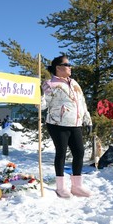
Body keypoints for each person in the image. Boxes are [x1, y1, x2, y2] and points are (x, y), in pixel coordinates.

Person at [41, 55, 92, 198]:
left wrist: (88, 120)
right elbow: (44, 106)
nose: (70, 67)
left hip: (75, 123)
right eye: (67, 64)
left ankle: (77, 186)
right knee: (61, 153)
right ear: (58, 67)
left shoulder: (74, 82)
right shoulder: (49, 84)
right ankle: (61, 187)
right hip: (57, 124)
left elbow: (82, 103)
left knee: (79, 152)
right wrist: (39, 97)